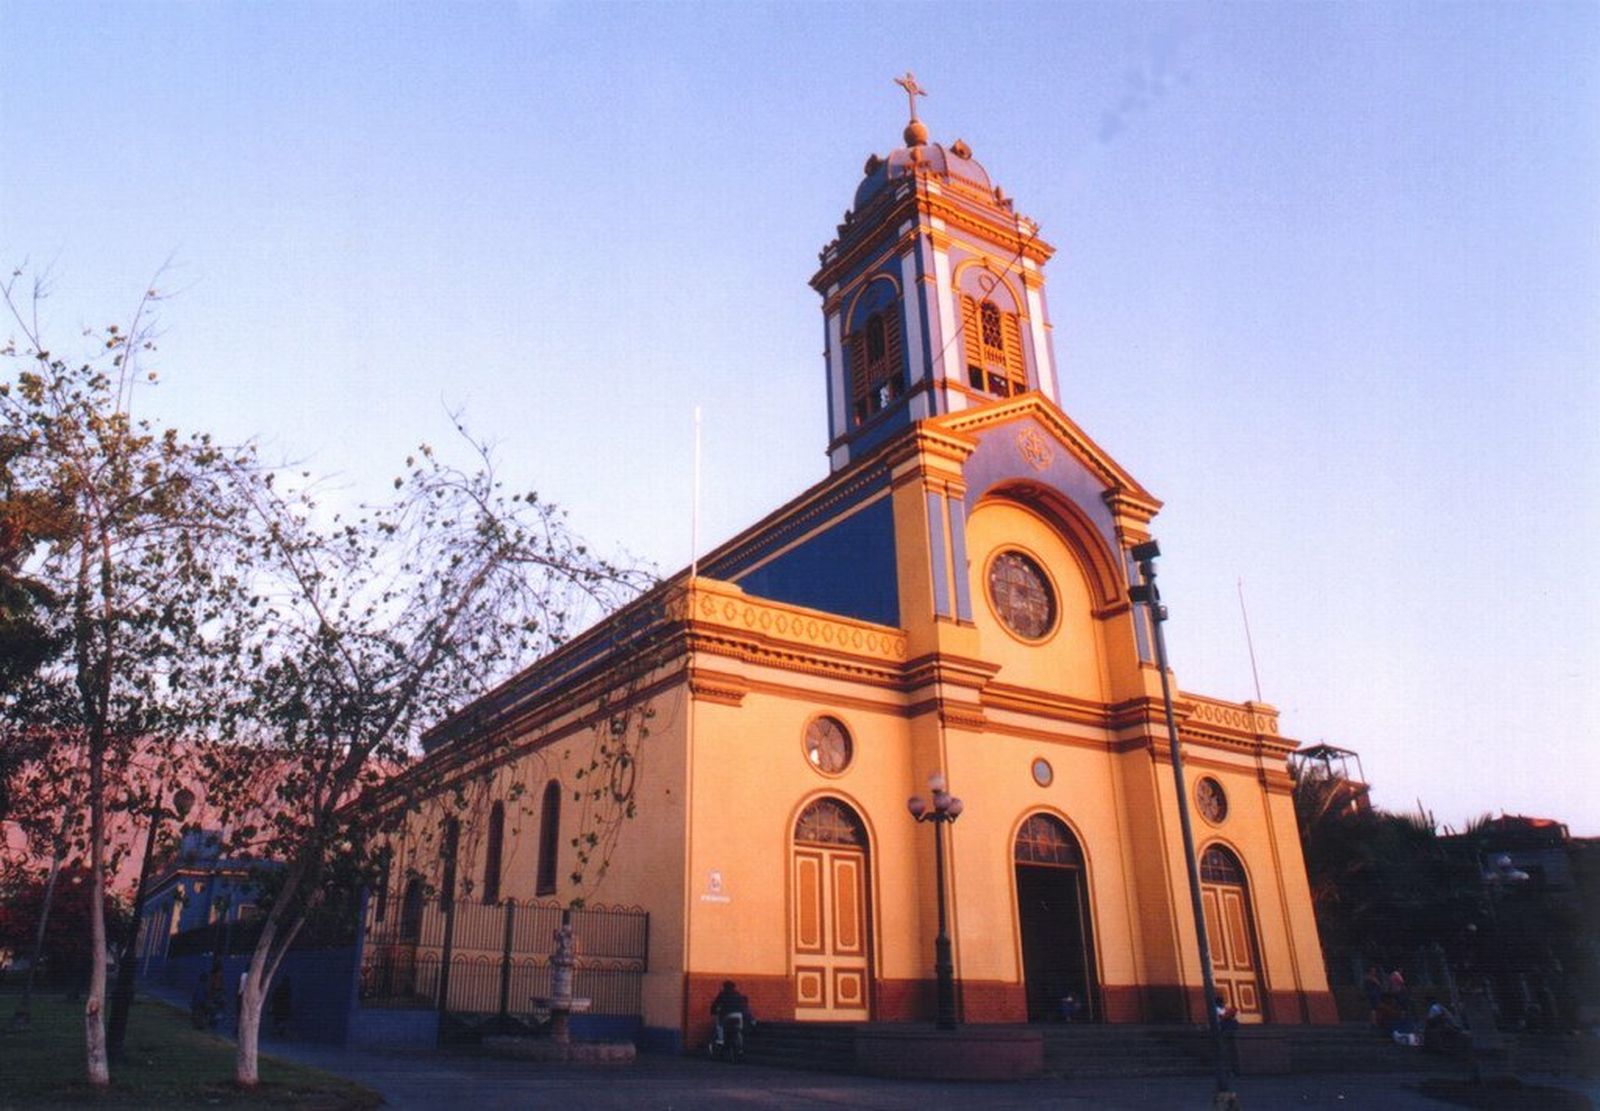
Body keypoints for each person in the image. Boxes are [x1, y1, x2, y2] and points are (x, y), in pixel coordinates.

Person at [709, 980, 754, 1059]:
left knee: (719, 1025)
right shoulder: (738, 995)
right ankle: (740, 1049)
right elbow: (743, 1007)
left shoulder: (723, 994)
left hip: (727, 1015)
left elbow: (715, 1004)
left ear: (725, 987)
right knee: (738, 1030)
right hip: (738, 1015)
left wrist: (713, 1011)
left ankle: (720, 1040)